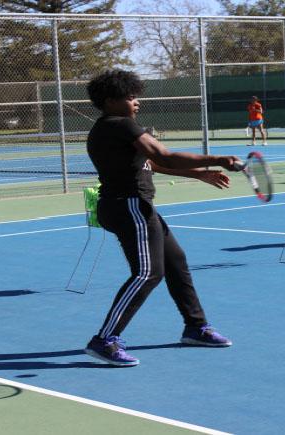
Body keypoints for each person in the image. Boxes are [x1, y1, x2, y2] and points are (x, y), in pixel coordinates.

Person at [84, 69, 241, 366]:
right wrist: (217, 158)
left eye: (136, 97)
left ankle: (196, 327)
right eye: (130, 97)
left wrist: (198, 174)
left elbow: (153, 164)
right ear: (109, 101)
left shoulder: (114, 128)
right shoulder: (119, 126)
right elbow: (165, 156)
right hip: (129, 206)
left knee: (175, 262)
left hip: (133, 206)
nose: (136, 103)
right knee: (147, 273)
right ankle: (104, 339)